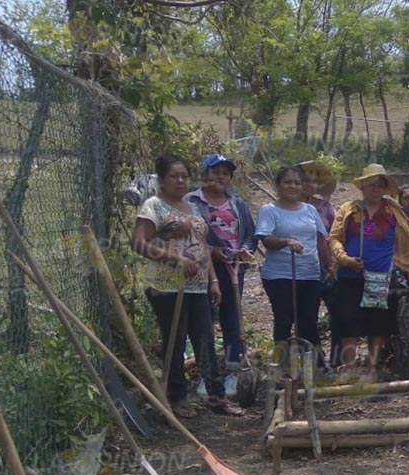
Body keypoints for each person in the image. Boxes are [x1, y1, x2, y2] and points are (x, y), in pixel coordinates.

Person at [131, 154, 241, 417]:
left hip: (197, 286)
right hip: (166, 286)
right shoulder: (153, 206)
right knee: (175, 340)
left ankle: (217, 398)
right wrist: (174, 258)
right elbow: (138, 243)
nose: (180, 181)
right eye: (174, 176)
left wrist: (213, 280)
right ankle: (177, 397)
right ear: (161, 180)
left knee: (205, 339)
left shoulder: (191, 207)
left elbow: (203, 247)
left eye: (184, 176)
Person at [329, 164, 409, 380]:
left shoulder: (393, 213)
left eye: (380, 185)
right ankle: (351, 366)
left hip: (380, 278)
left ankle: (372, 367)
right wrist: (344, 259)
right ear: (363, 186)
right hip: (349, 276)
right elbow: (334, 238)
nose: (376, 189)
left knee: (377, 323)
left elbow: (406, 244)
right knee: (348, 322)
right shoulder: (348, 209)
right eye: (371, 184)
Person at [255, 165, 333, 368]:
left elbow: (320, 241)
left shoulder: (310, 210)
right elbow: (266, 239)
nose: (293, 186)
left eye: (297, 182)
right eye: (288, 182)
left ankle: (316, 366)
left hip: (309, 274)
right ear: (278, 185)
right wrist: (286, 242)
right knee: (284, 319)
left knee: (308, 321)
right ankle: (282, 368)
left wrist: (330, 266)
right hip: (280, 275)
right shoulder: (269, 210)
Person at [186, 154, 256, 373]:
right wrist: (213, 251)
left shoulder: (238, 203)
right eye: (215, 172)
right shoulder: (192, 201)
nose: (220, 177)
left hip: (234, 268)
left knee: (232, 318)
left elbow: (250, 233)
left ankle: (232, 367)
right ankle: (207, 371)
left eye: (225, 173)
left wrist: (245, 250)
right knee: (203, 319)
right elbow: (190, 234)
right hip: (203, 269)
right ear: (205, 174)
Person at [299, 160, 341, 367]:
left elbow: (334, 236)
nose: (309, 184)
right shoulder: (290, 207)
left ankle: (338, 361)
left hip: (327, 267)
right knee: (307, 317)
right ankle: (315, 363)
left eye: (312, 181)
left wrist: (333, 265)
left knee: (338, 313)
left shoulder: (324, 207)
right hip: (303, 269)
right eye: (304, 180)